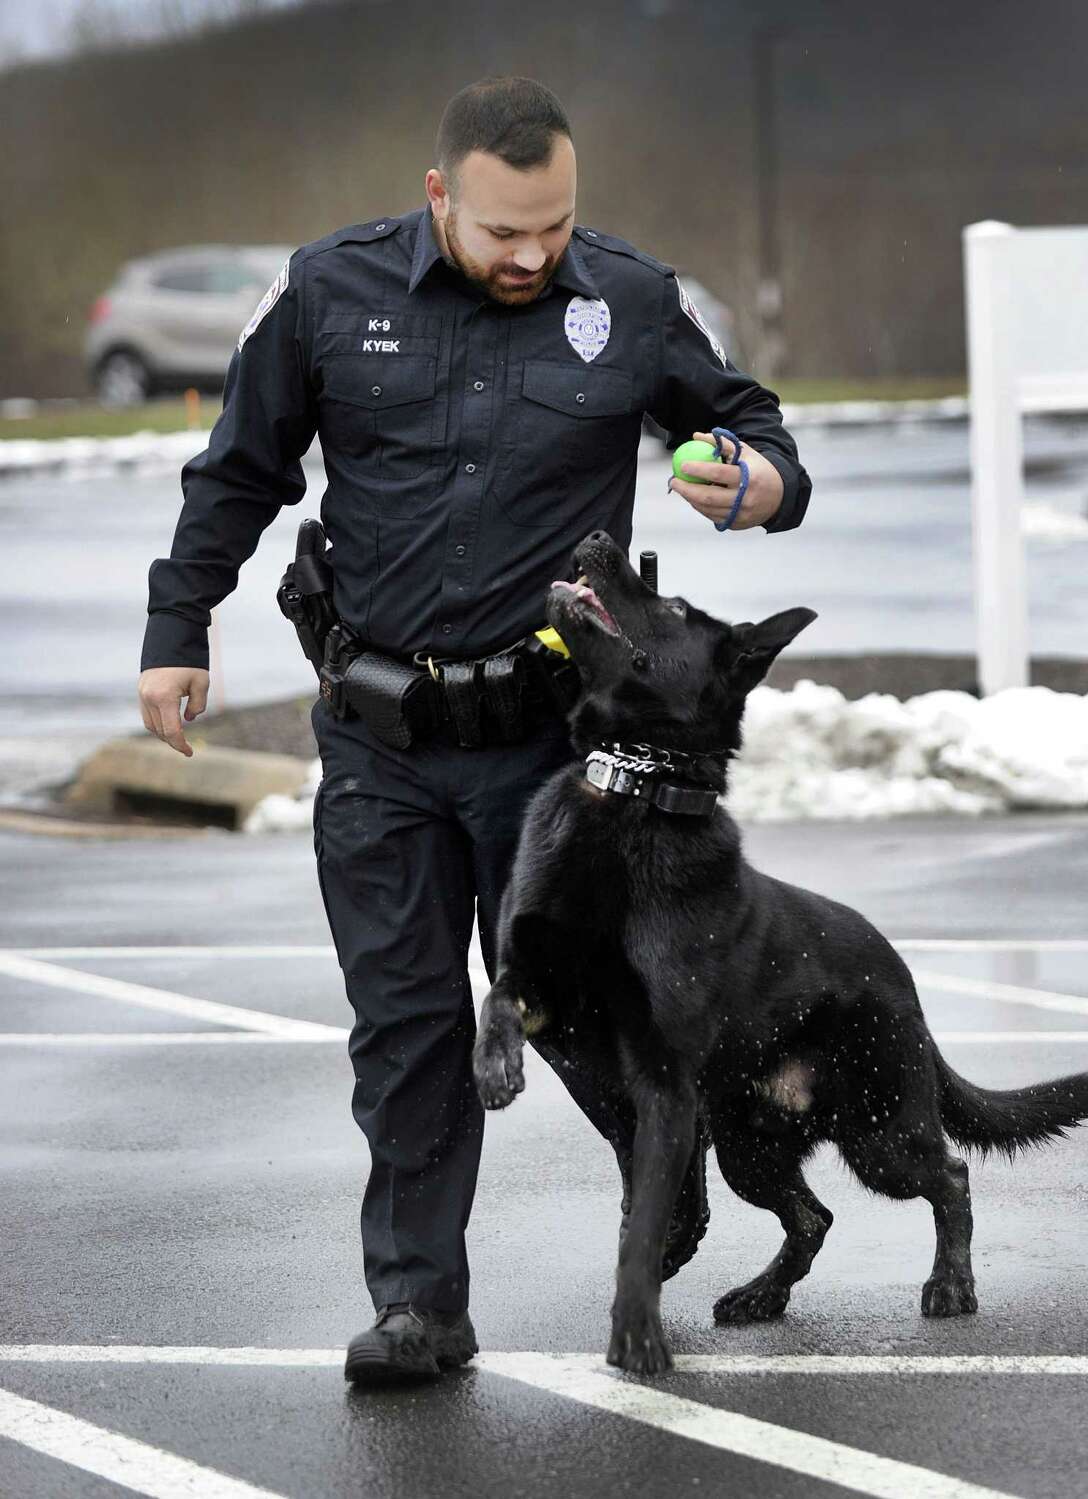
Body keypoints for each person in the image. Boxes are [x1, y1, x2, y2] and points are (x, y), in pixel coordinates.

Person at [136, 75, 813, 1386]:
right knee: (405, 1029)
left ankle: (661, 1214)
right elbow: (239, 471)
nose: (532, 254)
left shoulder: (625, 299)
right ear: (441, 195)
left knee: (581, 1017)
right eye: (506, 230)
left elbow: (750, 427)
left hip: (549, 754)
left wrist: (760, 479)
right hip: (378, 736)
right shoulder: (330, 291)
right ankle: (419, 1305)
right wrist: (178, 628)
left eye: (554, 225)